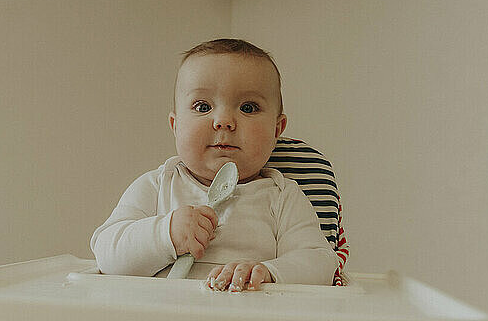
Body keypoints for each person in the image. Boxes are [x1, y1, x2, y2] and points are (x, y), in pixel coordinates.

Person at [90, 39, 339, 291]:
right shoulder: (157, 185)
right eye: (203, 106)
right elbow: (107, 254)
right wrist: (165, 234)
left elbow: (320, 262)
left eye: (248, 107)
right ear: (175, 126)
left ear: (277, 130)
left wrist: (269, 272)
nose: (223, 121)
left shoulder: (283, 196)